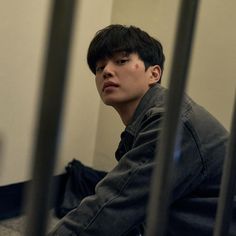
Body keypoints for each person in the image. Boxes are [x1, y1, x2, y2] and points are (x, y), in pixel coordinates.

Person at [48, 24, 235, 235]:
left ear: (154, 74)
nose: (107, 72)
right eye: (100, 68)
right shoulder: (153, 118)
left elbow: (111, 205)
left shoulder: (170, 123)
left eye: (121, 61)